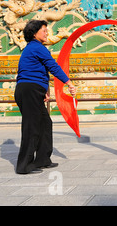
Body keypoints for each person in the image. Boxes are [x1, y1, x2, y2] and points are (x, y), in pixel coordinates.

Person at [15, 20, 77, 174]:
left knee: (45, 123)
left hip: (32, 90)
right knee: (32, 128)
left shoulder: (32, 49)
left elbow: (42, 71)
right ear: (34, 33)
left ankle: (42, 159)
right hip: (29, 90)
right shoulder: (37, 47)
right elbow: (53, 66)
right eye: (44, 30)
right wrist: (69, 83)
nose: (47, 33)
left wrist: (45, 90)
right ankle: (24, 166)